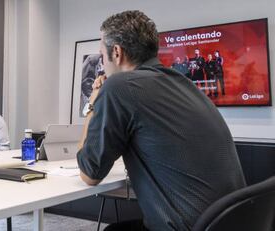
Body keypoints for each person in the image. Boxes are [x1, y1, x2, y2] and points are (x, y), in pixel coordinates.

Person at [76, 10, 245, 231]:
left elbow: (89, 173)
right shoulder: (183, 83)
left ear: (116, 52)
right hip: (234, 221)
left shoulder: (118, 87)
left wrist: (92, 103)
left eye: (102, 54)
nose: (102, 64)